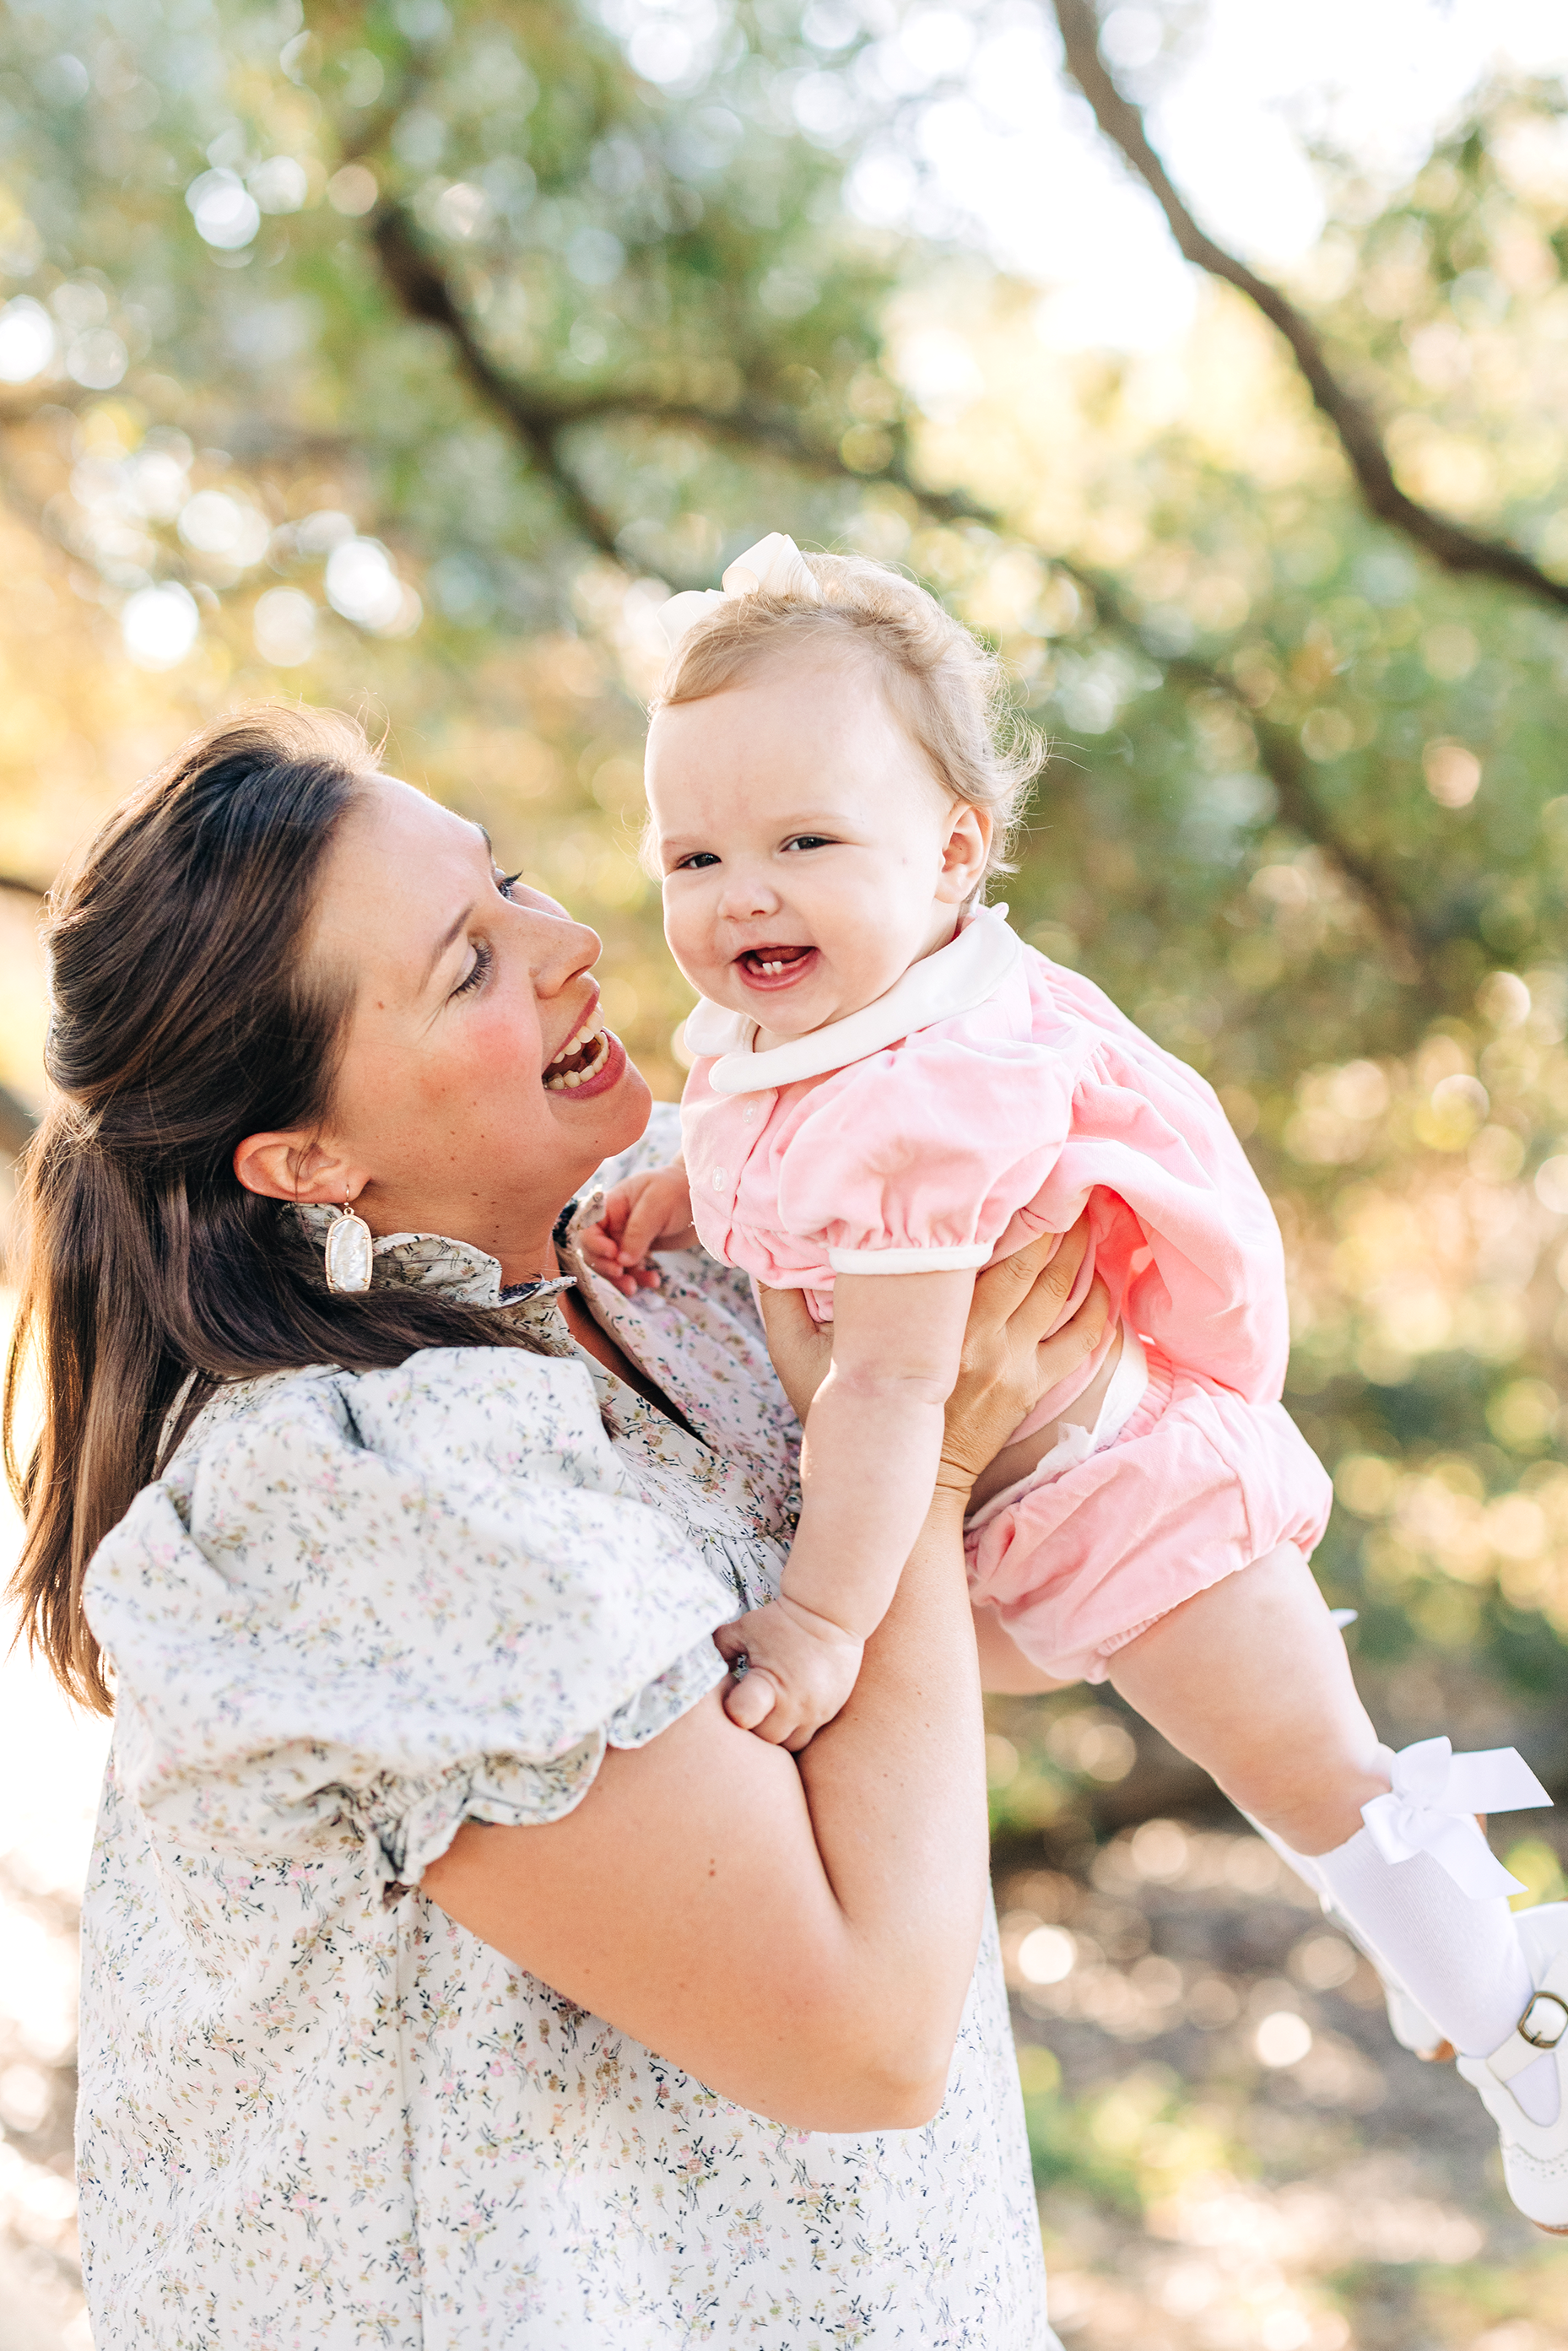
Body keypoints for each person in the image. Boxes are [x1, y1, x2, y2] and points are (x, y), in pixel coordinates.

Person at [4, 706, 1117, 2348]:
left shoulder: (663, 1251)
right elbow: (862, 2036)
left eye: (508, 880)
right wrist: (919, 1453)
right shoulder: (349, 1485)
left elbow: (947, 1660)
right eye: (467, 962)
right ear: (302, 1156)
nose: (574, 942)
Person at [581, 534, 1568, 2229]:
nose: (743, 892)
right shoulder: (796, 1033)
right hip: (1022, 1520)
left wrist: (819, 1627)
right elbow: (770, 1157)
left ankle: (1518, 2017)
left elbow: (890, 1390)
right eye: (695, 853)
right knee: (1308, 1797)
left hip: (1123, 1498)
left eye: (805, 841)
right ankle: (1469, 1958)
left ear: (952, 851)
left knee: (1310, 1780)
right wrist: (688, 1187)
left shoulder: (931, 1084)